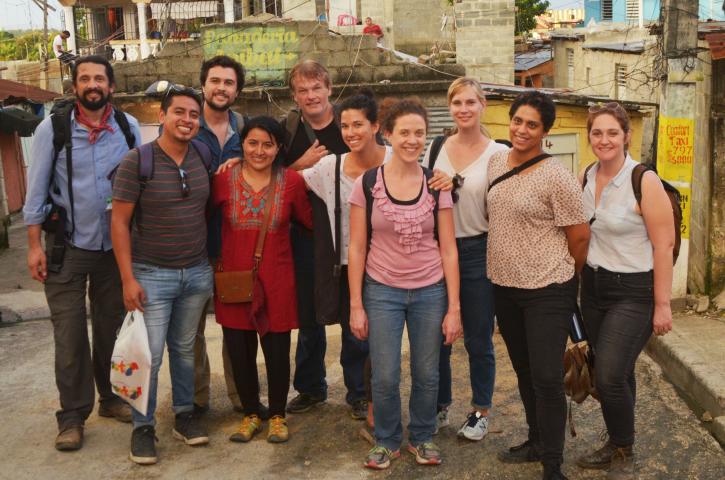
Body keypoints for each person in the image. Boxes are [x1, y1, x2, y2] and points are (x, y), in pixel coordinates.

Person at [23, 55, 140, 452]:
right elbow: (36, 191)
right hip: (66, 248)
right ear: (74, 87)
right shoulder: (51, 129)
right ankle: (72, 416)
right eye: (85, 79)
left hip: (113, 250)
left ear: (111, 86)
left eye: (99, 79)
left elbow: (142, 183)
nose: (93, 85)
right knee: (69, 335)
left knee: (111, 327)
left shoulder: (128, 128)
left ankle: (110, 399)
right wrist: (34, 245)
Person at [348, 98, 462, 470]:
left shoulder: (437, 184)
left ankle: (423, 436)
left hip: (430, 290)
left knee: (428, 372)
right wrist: (356, 305)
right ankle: (386, 440)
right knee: (384, 373)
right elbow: (357, 246)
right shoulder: (367, 184)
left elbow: (448, 249)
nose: (412, 140)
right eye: (404, 133)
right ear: (387, 134)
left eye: (419, 133)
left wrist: (453, 308)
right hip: (381, 290)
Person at [487, 91, 590, 480]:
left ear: (545, 131)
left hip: (548, 288)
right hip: (505, 287)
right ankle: (535, 441)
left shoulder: (556, 176)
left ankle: (553, 465)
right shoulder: (497, 161)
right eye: (518, 121)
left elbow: (579, 237)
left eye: (532, 124)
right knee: (525, 370)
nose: (522, 130)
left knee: (547, 377)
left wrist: (564, 277)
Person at [112, 86, 213, 465]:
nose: (187, 120)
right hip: (152, 274)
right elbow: (119, 223)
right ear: (163, 115)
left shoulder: (202, 154)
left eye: (193, 115)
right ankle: (143, 427)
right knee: (149, 355)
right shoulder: (138, 161)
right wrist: (127, 278)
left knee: (185, 349)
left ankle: (184, 414)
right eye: (180, 113)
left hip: (196, 272)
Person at [576, 102, 673, 480]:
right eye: (597, 133)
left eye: (612, 132)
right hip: (594, 288)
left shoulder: (643, 180)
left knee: (609, 375)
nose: (604, 140)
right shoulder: (586, 175)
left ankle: (620, 444)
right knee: (617, 369)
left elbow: (663, 245)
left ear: (626, 136)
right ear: (590, 137)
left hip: (633, 290)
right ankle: (624, 437)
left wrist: (662, 304)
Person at [213, 116, 312, 444]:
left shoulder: (293, 182)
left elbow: (311, 222)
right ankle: (251, 413)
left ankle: (278, 415)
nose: (259, 150)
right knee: (239, 350)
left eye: (267, 144)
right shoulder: (224, 180)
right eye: (252, 143)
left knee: (277, 351)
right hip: (235, 281)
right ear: (242, 145)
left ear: (278, 148)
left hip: (278, 280)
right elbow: (203, 218)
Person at [281, 60, 369, 419]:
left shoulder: (347, 124)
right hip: (303, 236)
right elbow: (271, 176)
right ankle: (311, 387)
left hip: (350, 236)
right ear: (295, 96)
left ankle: (359, 392)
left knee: (353, 313)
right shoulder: (288, 130)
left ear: (330, 89)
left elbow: (373, 166)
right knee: (309, 317)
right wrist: (299, 163)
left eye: (316, 88)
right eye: (302, 90)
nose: (310, 96)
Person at [422, 77, 508, 441]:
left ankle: (480, 410)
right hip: (436, 248)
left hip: (477, 249)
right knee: (436, 335)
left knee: (477, 337)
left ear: (482, 105)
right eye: (457, 103)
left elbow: (504, 208)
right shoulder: (436, 147)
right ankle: (440, 405)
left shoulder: (498, 154)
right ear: (450, 106)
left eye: (471, 102)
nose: (464, 109)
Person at [301, 90, 391, 425]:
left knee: (383, 335)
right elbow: (290, 185)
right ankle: (358, 394)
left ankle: (380, 393)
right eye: (345, 126)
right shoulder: (329, 167)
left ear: (376, 125)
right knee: (355, 335)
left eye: (358, 125)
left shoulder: (398, 160)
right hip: (346, 265)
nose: (351, 132)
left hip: (389, 265)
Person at [192, 55, 253, 417]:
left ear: (237, 91)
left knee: (237, 329)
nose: (221, 88)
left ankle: (242, 396)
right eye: (215, 81)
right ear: (203, 85)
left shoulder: (243, 129)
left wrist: (243, 164)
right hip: (193, 245)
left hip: (233, 245)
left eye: (229, 83)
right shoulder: (185, 122)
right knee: (191, 332)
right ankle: (197, 400)